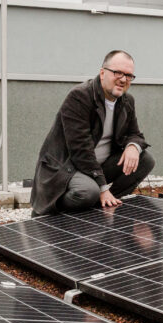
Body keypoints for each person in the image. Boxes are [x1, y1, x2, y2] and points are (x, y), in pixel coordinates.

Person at [30, 50, 155, 216]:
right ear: (102, 73)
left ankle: (99, 205)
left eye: (129, 75)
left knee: (145, 160)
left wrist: (133, 146)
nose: (123, 79)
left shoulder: (126, 101)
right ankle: (52, 212)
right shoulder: (80, 97)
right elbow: (80, 149)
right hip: (69, 167)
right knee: (88, 192)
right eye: (117, 72)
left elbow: (135, 134)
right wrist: (103, 187)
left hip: (98, 166)